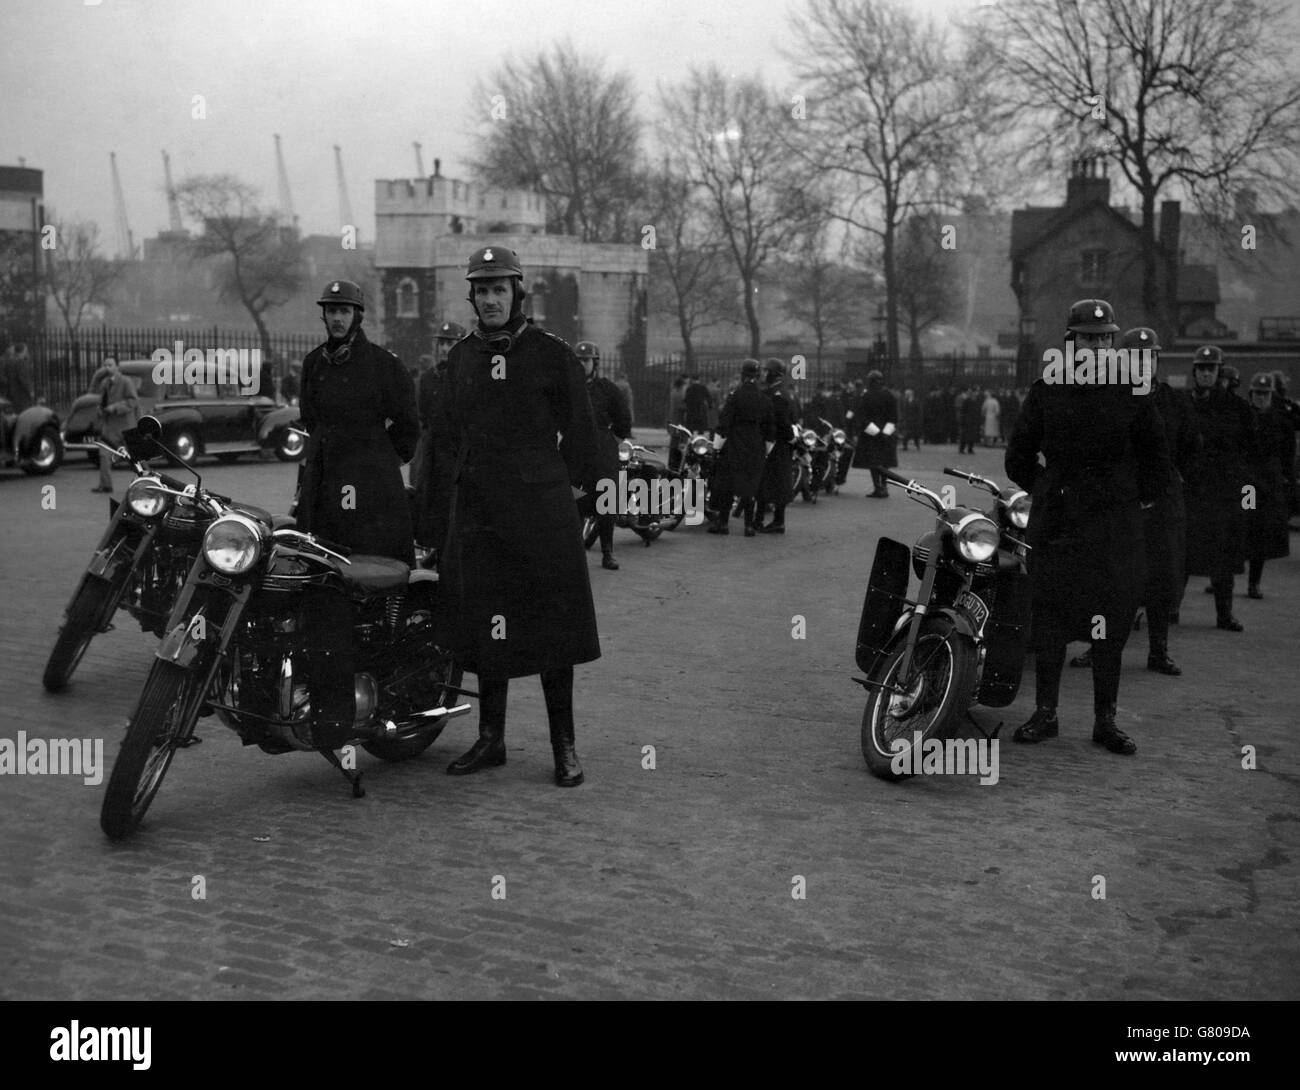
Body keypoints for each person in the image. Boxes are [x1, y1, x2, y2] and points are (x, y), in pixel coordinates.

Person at [435, 245, 600, 787]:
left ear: (516, 293)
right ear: (473, 297)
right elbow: (449, 433)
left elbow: (582, 430)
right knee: (488, 626)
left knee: (553, 627)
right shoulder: (460, 358)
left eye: (498, 290)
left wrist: (569, 493)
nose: (489, 300)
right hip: (480, 512)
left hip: (540, 514)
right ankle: (491, 738)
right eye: (481, 291)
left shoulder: (551, 354)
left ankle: (564, 746)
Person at [1005, 299, 1172, 756]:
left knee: (1111, 620)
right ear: (1071, 342)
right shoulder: (1047, 390)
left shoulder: (1134, 392)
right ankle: (1046, 714)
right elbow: (1018, 454)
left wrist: (1129, 499)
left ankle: (1105, 720)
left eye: (1104, 338)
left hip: (1113, 528)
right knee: (1052, 619)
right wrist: (1046, 488)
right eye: (1087, 338)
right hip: (1059, 522)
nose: (1096, 346)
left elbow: (1157, 459)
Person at [297, 279, 419, 749]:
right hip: (324, 488)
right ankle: (329, 687)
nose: (337, 318)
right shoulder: (313, 365)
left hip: (374, 496)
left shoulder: (385, 366)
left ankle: (386, 684)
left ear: (358, 316)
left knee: (380, 582)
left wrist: (380, 463)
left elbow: (409, 426)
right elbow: (312, 420)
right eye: (330, 310)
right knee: (327, 581)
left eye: (345, 311)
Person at [1074, 327, 1199, 674]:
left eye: (1151, 357)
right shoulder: (1111, 398)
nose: (1144, 364)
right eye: (1136, 357)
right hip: (1121, 500)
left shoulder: (1176, 402)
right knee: (1108, 580)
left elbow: (1193, 446)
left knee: (1161, 578)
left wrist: (1177, 476)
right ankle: (1096, 646)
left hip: (1161, 504)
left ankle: (1158, 652)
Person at [1184, 345, 1256, 631]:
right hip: (1192, 490)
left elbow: (1251, 448)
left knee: (1224, 557)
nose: (1205, 373)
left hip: (1224, 492)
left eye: (1210, 368)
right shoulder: (1185, 403)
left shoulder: (1237, 408)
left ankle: (1224, 614)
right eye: (1201, 368)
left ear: (1219, 371)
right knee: (1183, 554)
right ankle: (1171, 611)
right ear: (1195, 372)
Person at [411, 320, 466, 564]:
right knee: (429, 502)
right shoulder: (427, 379)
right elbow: (422, 415)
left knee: (455, 508)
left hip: (456, 453)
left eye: (451, 344)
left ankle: (450, 555)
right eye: (442, 343)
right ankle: (436, 551)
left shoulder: (465, 379)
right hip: (432, 450)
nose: (445, 349)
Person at [576, 340, 632, 570]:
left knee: (606, 502)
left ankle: (607, 551)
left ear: (595, 363)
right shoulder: (567, 388)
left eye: (585, 360)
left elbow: (623, 421)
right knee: (574, 501)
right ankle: (575, 552)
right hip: (575, 452)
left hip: (602, 452)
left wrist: (610, 442)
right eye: (577, 360)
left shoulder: (608, 389)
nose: (581, 364)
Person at [708, 359, 773, 536]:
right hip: (756, 446)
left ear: (743, 375)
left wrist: (717, 448)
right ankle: (749, 526)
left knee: (727, 485)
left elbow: (723, 425)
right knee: (750, 487)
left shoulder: (734, 396)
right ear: (758, 377)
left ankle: (723, 524)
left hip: (735, 444)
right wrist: (765, 451)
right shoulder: (765, 400)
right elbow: (770, 431)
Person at [1244, 372, 1291, 598]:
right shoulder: (1243, 418)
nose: (1261, 398)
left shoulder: (1279, 420)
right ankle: (1222, 578)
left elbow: (1287, 452)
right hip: (1248, 486)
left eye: (1265, 394)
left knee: (1261, 534)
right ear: (1251, 395)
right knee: (1242, 527)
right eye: (1258, 393)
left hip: (1269, 485)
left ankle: (1254, 582)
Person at [756, 358, 797, 533]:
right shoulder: (776, 391)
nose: (763, 374)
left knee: (775, 484)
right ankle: (764, 519)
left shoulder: (777, 394)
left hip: (776, 444)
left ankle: (778, 521)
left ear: (774, 373)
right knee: (767, 483)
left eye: (766, 371)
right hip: (776, 443)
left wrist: (789, 438)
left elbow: (783, 422)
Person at [91, 354, 138, 493]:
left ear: (117, 367)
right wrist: (100, 410)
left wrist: (115, 407)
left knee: (135, 458)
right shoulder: (104, 383)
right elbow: (102, 401)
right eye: (105, 365)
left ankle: (146, 483)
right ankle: (106, 485)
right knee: (104, 454)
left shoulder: (126, 382)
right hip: (110, 427)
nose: (107, 368)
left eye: (110, 365)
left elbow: (133, 401)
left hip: (126, 425)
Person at [856, 370, 898, 497]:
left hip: (871, 435)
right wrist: (885, 433)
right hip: (887, 435)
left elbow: (862, 417)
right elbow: (894, 417)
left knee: (873, 463)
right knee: (885, 462)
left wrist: (875, 432)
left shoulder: (867, 395)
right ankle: (884, 487)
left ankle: (878, 487)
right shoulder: (889, 395)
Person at [666, 376, 687, 470]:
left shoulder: (673, 392)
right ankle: (675, 464)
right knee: (677, 443)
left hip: (673, 419)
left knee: (673, 442)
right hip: (678, 421)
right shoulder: (679, 393)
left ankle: (671, 463)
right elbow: (681, 407)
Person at [958, 385, 981, 454]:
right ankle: (962, 448)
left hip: (974, 420)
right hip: (967, 421)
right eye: (976, 392)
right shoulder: (967, 400)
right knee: (965, 436)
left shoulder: (977, 400)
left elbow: (978, 411)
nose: (977, 393)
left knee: (972, 436)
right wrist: (963, 419)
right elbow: (963, 411)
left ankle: (970, 448)